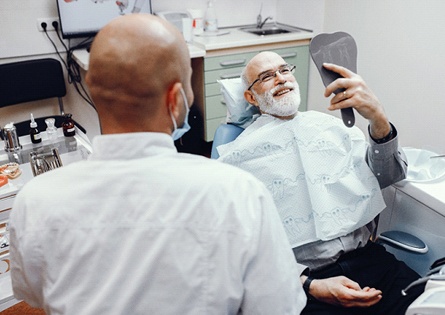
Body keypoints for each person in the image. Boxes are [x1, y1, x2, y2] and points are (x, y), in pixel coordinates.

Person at [9, 16, 306, 315]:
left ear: (94, 89)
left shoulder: (33, 201)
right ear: (176, 100)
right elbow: (278, 307)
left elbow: (34, 295)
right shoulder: (240, 194)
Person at [217, 51, 423, 315]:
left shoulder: (335, 129)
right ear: (251, 97)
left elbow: (390, 176)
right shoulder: (238, 158)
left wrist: (378, 119)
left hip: (371, 263)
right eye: (267, 76)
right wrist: (309, 285)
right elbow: (237, 250)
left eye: (284, 70)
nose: (280, 79)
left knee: (430, 304)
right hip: (306, 284)